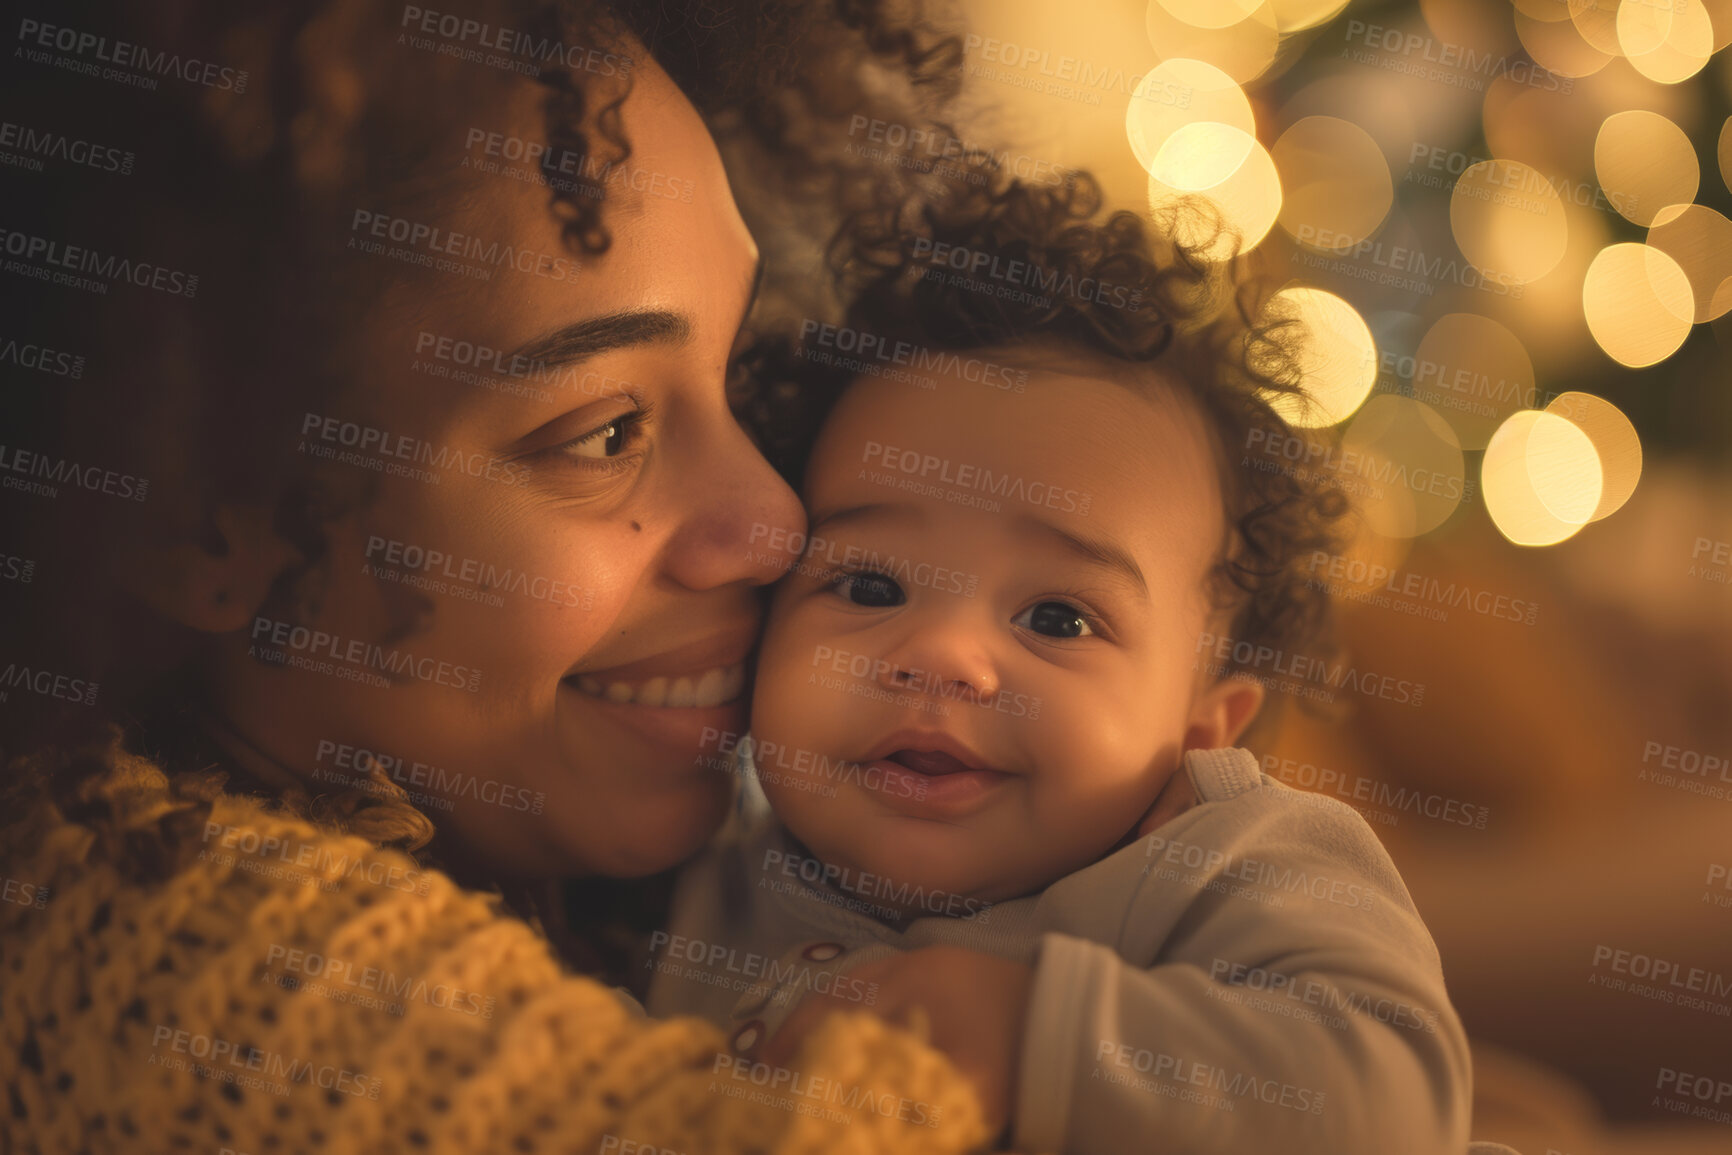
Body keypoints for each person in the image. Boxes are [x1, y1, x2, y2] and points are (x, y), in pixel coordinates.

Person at [0, 1, 1017, 1150]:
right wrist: (1038, 1027)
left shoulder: (577, 863)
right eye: (603, 436)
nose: (774, 523)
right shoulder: (174, 952)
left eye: (730, 369)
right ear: (197, 523)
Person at [646, 180, 1475, 1152]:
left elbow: (1392, 1105)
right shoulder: (706, 882)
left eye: (1055, 617)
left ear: (1205, 723)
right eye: (869, 588)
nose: (942, 657)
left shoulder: (1221, 866)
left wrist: (1036, 1033)